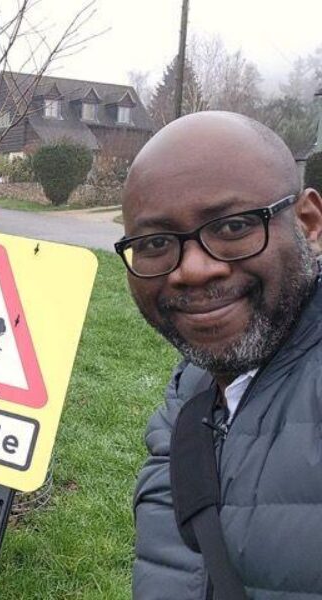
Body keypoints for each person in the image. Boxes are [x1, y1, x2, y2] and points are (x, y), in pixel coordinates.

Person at [117, 111, 322, 599]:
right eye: (156, 243)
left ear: (310, 225)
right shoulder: (190, 400)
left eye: (232, 227)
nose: (193, 270)